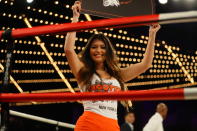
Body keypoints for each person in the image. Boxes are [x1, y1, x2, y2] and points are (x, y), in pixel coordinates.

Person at [64, 1, 161, 131]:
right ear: (89, 50)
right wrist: (75, 18)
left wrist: (152, 34)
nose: (98, 50)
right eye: (94, 47)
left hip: (112, 126)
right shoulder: (83, 72)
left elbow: (146, 64)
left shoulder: (117, 75)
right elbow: (69, 50)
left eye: (102, 47)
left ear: (108, 51)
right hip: (88, 125)